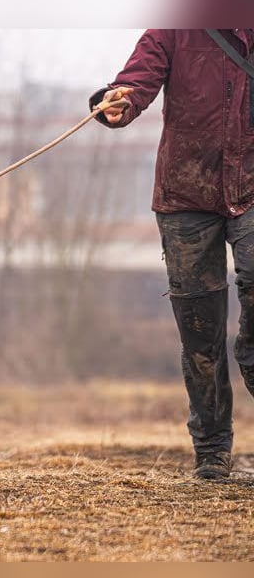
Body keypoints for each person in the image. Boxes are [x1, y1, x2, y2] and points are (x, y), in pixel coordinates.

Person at [90, 29, 254, 479]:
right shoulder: (172, 29)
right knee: (200, 334)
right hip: (185, 196)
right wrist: (116, 102)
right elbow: (134, 82)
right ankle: (213, 451)